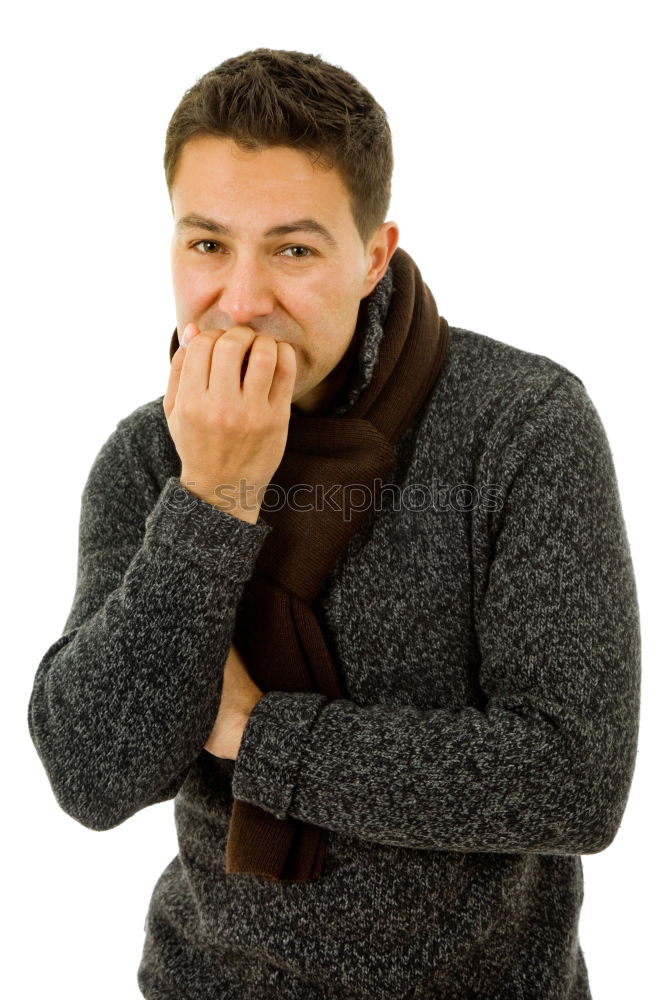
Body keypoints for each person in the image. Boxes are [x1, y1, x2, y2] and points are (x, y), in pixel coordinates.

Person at [27, 48, 641, 1000]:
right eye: (206, 245)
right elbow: (94, 773)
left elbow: (571, 779)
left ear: (373, 257)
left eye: (294, 249)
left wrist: (258, 736)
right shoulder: (152, 456)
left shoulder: (523, 426)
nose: (240, 299)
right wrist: (213, 497)